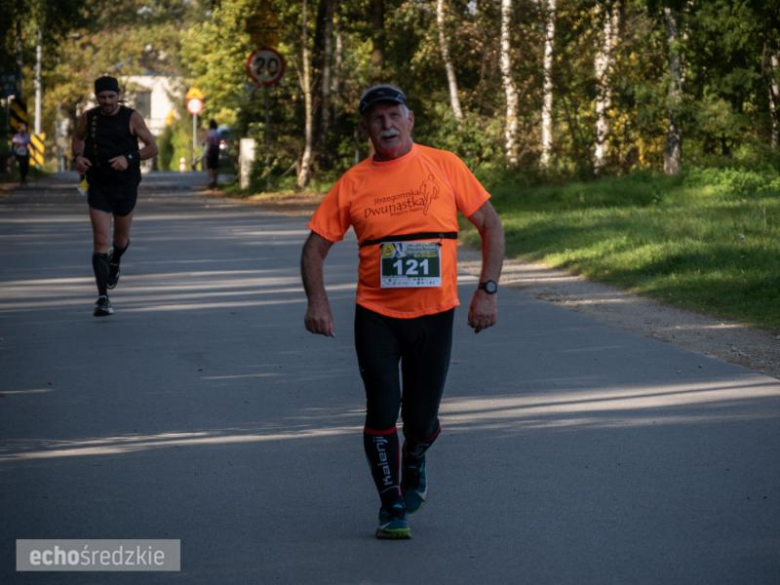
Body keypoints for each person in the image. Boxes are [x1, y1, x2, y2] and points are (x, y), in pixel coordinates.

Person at [300, 84, 504, 539]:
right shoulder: (353, 182)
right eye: (377, 119)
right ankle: (391, 504)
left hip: (435, 315)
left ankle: (416, 455)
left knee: (420, 420)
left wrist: (486, 291)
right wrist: (317, 302)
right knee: (381, 409)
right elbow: (314, 248)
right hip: (376, 315)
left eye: (394, 116)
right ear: (367, 128)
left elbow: (490, 223)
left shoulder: (445, 165)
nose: (387, 125)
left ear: (410, 120)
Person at [72, 75, 158, 317]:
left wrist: (129, 158)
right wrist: (77, 158)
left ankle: (116, 259)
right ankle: (102, 298)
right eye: (102, 97)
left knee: (119, 241)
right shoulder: (89, 117)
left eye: (111, 96)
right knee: (101, 241)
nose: (107, 101)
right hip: (98, 184)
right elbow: (78, 138)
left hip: (125, 185)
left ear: (118, 95)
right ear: (96, 97)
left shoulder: (131, 117)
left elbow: (152, 147)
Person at [204, 119, 220, 189]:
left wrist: (207, 151)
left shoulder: (209, 133)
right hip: (216, 149)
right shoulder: (217, 133)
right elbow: (219, 141)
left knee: (210, 166)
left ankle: (211, 180)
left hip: (210, 149)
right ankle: (215, 180)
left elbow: (208, 142)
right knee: (215, 165)